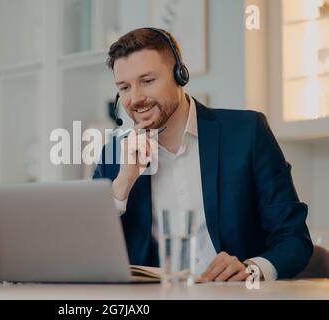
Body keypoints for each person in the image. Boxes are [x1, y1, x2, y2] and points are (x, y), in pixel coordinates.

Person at [93, 28, 313, 282]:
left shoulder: (247, 133)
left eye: (147, 81)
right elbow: (88, 250)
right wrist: (123, 183)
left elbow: (294, 238)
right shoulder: (113, 155)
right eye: (124, 87)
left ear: (179, 74)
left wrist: (250, 269)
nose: (136, 98)